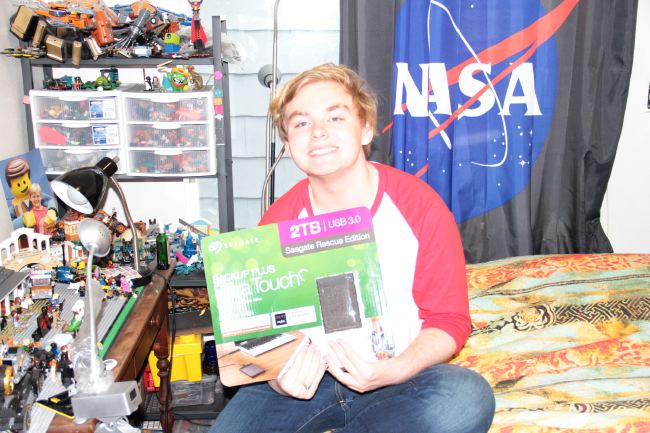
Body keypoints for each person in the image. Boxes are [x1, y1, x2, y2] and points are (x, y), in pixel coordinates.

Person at [209, 64, 495, 433]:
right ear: (288, 144)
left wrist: (398, 369)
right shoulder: (277, 222)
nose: (318, 132)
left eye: (335, 117)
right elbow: (260, 337)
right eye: (301, 123)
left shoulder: (419, 206)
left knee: (467, 396)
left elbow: (449, 320)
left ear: (366, 129)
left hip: (397, 376)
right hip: (307, 384)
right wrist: (280, 379)